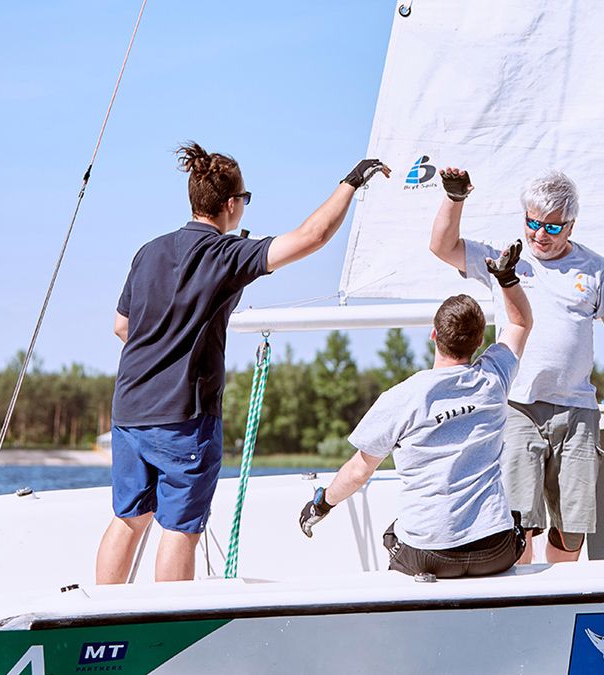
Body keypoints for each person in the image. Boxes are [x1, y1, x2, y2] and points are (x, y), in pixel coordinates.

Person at [96, 142, 390, 584]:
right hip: (183, 416)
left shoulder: (148, 252)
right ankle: (164, 634)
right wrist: (350, 184)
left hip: (130, 410)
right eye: (245, 201)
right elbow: (311, 237)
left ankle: (102, 620)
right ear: (231, 205)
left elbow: (122, 326)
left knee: (129, 517)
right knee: (179, 528)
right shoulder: (225, 255)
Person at [429, 167, 604, 564]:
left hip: (578, 408)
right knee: (519, 523)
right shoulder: (504, 258)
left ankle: (558, 602)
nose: (539, 235)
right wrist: (454, 198)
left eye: (552, 227)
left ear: (571, 225)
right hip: (517, 405)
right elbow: (442, 246)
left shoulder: (595, 267)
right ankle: (523, 605)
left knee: (572, 529)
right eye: (532, 222)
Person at [298, 243, 532, 579]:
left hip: (430, 555)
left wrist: (321, 504)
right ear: (480, 341)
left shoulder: (402, 397)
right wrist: (507, 279)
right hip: (493, 549)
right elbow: (521, 323)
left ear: (434, 335)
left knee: (394, 535)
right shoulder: (494, 378)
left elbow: (358, 473)